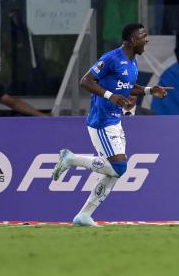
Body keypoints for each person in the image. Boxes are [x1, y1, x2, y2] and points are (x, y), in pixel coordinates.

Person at [52, 23, 172, 227]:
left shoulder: (132, 63)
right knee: (119, 167)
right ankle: (70, 159)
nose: (147, 39)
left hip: (115, 120)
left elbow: (127, 87)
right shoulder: (111, 58)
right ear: (133, 40)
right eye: (143, 36)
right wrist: (110, 95)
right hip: (101, 120)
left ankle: (84, 215)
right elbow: (85, 81)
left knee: (116, 171)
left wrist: (151, 91)